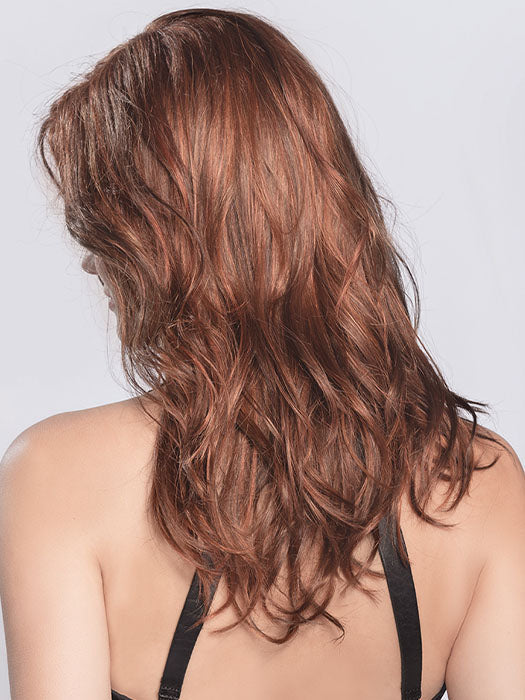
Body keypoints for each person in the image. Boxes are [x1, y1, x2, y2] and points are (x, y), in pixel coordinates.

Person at [1, 8, 524, 700]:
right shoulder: (477, 484)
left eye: (106, 230)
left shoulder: (56, 476)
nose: (91, 263)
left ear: (163, 243)